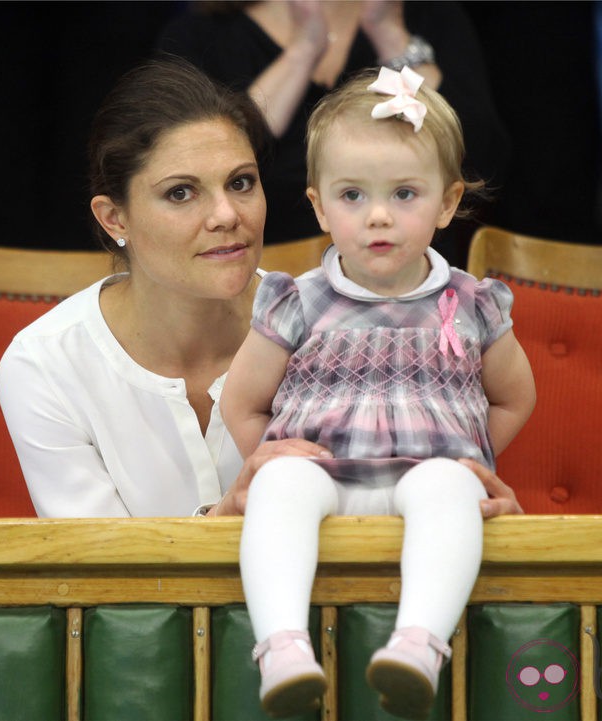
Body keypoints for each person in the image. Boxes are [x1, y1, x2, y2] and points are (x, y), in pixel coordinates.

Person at [220, 67, 535, 719]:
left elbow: (513, 395)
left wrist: (470, 458)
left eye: (406, 193)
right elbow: (242, 401)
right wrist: (277, 452)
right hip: (327, 476)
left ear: (447, 203)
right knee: (279, 486)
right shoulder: (297, 300)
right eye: (353, 195)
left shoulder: (470, 302)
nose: (380, 215)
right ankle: (282, 648)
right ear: (318, 205)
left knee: (448, 487)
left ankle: (417, 645)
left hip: (424, 475)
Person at [0, 56, 333, 518]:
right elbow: (100, 572)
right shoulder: (46, 363)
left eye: (240, 182)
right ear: (115, 218)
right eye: (181, 192)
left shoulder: (330, 329)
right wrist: (224, 520)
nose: (227, 215)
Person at [157, 0, 509, 264]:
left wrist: (390, 34)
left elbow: (480, 157)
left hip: (408, 279)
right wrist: (303, 50)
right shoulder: (202, 33)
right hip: (258, 277)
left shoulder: (428, 15)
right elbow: (198, 161)